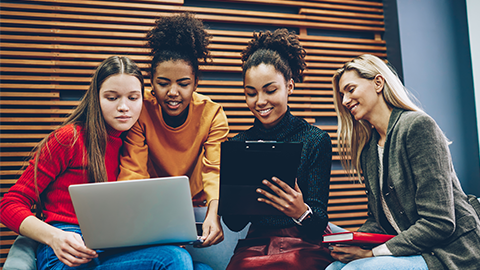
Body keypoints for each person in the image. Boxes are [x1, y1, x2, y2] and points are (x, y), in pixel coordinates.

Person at [0, 56, 211, 270]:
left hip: (108, 250)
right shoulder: (68, 139)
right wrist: (55, 237)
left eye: (133, 98)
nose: (123, 107)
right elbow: (9, 204)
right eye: (112, 98)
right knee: (174, 259)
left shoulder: (132, 144)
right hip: (67, 256)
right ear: (96, 98)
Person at [326, 54, 480, 270]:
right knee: (333, 267)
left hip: (449, 253)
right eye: (342, 95)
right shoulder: (369, 150)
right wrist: (351, 243)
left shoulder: (417, 126)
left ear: (378, 83)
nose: (344, 101)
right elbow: (379, 222)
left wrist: (370, 254)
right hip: (414, 250)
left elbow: (440, 222)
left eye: (350, 89)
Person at [221, 29, 334, 270]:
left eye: (270, 90)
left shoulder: (315, 140)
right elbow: (233, 224)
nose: (260, 101)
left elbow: (319, 221)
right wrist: (238, 199)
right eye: (251, 93)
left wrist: (300, 211)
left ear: (289, 86)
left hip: (304, 244)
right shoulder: (238, 144)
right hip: (256, 244)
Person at [118, 13, 228, 248]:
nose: (173, 92)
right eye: (164, 83)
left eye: (184, 84)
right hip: (151, 208)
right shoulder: (141, 110)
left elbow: (215, 171)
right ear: (151, 80)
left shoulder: (212, 114)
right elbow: (133, 172)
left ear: (196, 82)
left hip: (197, 210)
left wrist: (214, 214)